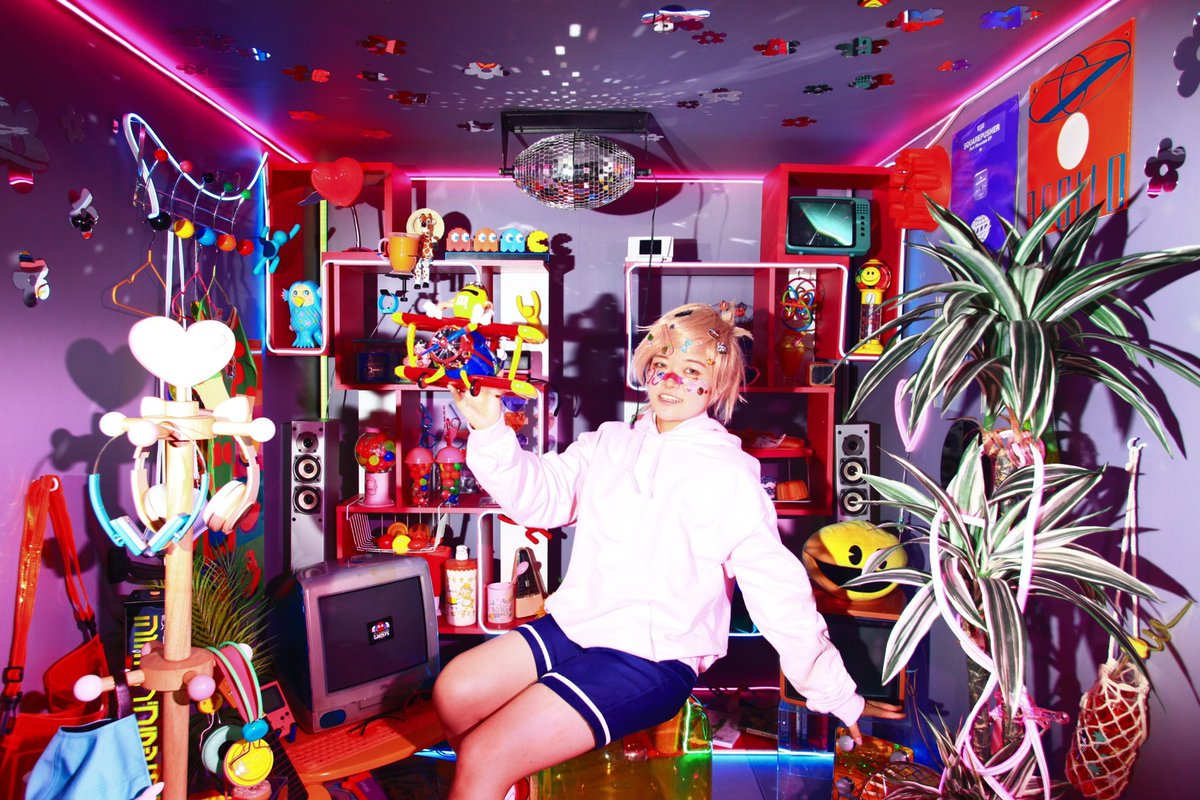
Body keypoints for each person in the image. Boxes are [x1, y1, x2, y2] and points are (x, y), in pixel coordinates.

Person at [435, 302, 902, 799]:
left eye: (692, 370)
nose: (672, 380)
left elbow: (778, 591)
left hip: (652, 656)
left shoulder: (727, 473)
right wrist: (489, 429)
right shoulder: (609, 442)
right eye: (662, 365)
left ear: (717, 384)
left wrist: (834, 691)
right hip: (578, 626)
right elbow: (540, 498)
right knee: (454, 691)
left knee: (486, 754)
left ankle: (492, 774)